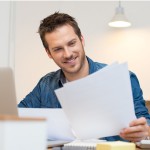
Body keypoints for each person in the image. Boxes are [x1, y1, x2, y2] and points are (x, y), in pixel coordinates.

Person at [18, 12, 150, 142]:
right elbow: (16, 117)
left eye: (71, 43)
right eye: (58, 49)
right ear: (49, 53)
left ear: (82, 40)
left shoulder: (123, 78)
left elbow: (145, 126)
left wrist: (144, 132)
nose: (68, 54)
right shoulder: (45, 84)